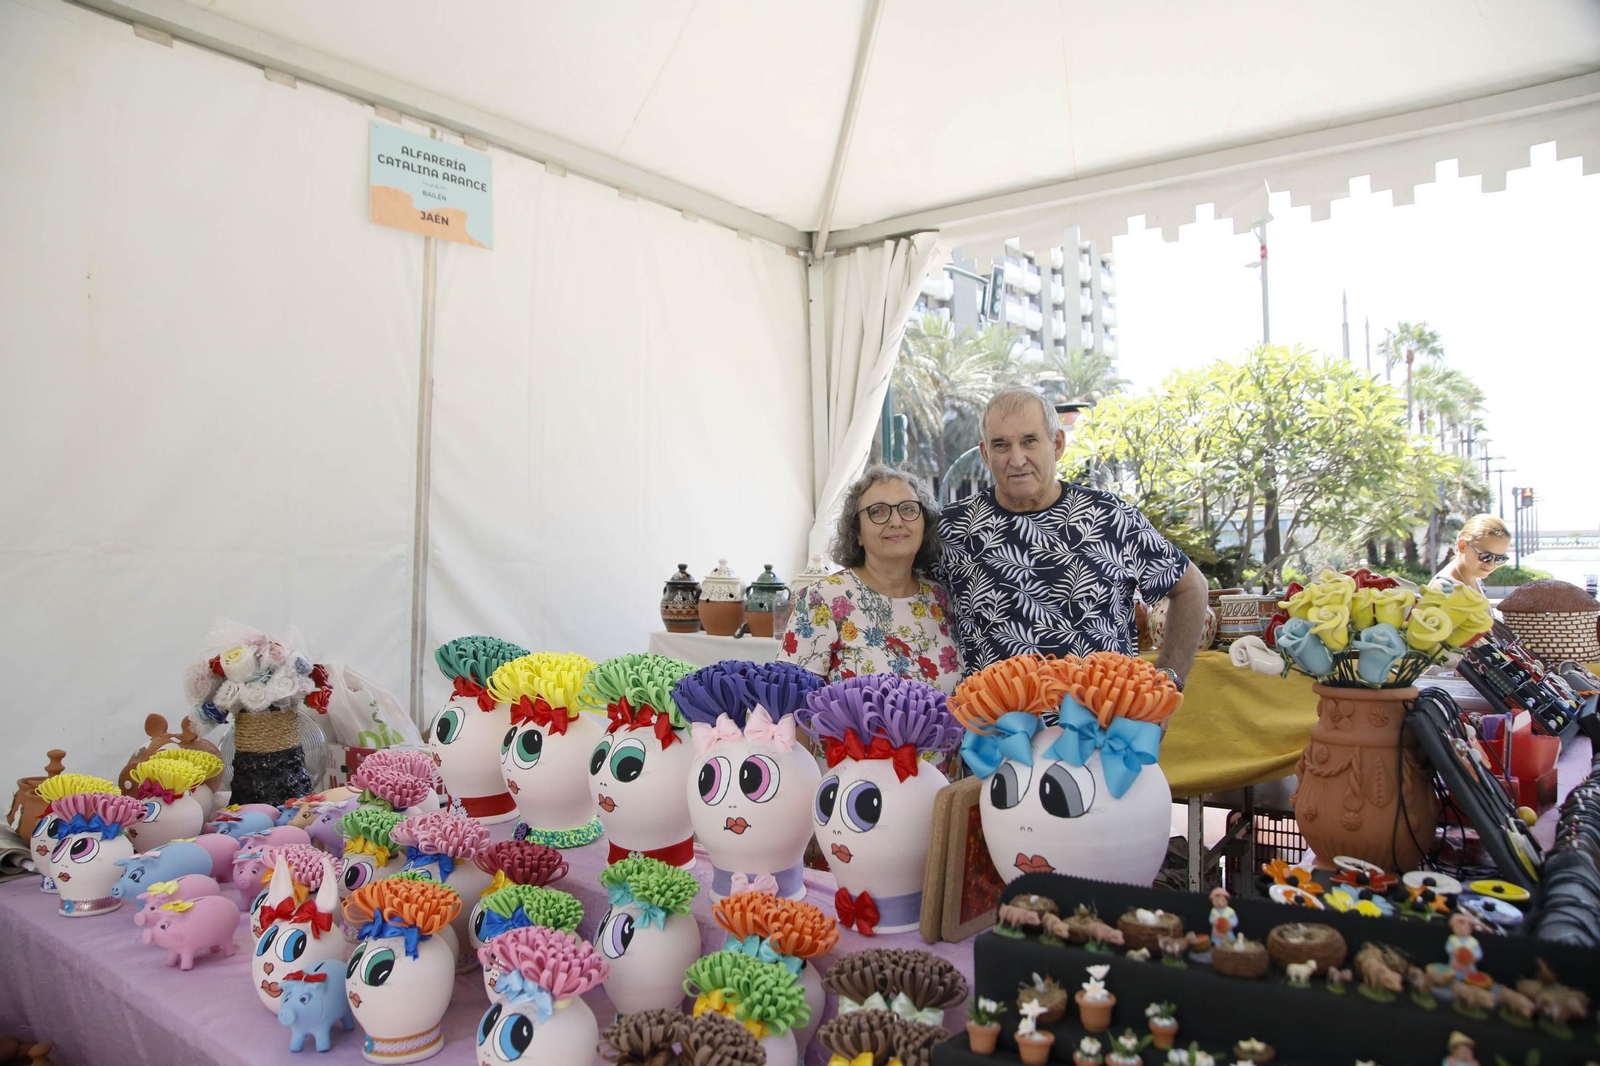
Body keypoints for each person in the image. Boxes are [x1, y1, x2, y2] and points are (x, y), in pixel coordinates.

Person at [938, 386, 1209, 690]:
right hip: (992, 731)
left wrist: (1167, 684)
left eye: (1030, 441)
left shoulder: (1110, 517)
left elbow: (1191, 588)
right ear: (986, 453)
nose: (1016, 459)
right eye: (1001, 445)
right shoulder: (952, 528)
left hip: (1105, 727)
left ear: (1057, 443)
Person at [778, 465, 962, 694]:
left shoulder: (944, 598)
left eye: (907, 509)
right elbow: (792, 706)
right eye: (878, 511)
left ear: (924, 525)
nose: (896, 521)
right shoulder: (821, 599)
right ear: (857, 533)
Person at [1432, 513, 1511, 593]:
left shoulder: (1476, 581)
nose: (1491, 564)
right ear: (1462, 546)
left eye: (1500, 558)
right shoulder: (1445, 588)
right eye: (1486, 557)